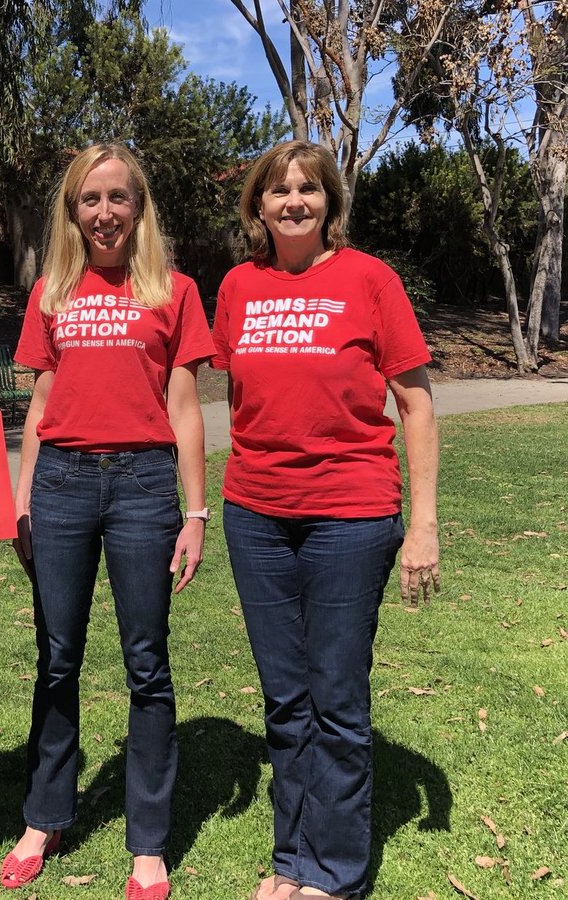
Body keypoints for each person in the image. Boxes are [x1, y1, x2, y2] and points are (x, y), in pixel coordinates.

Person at [211, 140, 440, 900]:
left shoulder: (370, 280)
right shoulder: (238, 286)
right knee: (285, 696)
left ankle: (335, 871)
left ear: (330, 202)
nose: (294, 201)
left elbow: (415, 404)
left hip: (351, 514)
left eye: (308, 189)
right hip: (255, 514)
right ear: (257, 206)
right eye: (278, 191)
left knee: (336, 694)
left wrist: (424, 525)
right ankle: (291, 859)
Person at [3, 143, 214, 900]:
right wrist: (22, 499)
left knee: (146, 663)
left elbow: (186, 408)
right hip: (59, 483)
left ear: (140, 206)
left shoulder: (174, 291)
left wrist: (195, 510)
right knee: (57, 656)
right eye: (89, 200)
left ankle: (148, 842)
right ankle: (46, 814)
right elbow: (39, 404)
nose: (104, 214)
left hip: (143, 485)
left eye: (118, 198)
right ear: (72, 209)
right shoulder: (53, 290)